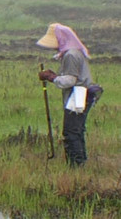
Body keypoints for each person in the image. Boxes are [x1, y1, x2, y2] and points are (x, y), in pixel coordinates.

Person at [37, 23, 96, 167]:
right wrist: (55, 76)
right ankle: (80, 162)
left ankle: (76, 165)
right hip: (82, 93)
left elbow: (70, 80)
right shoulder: (71, 53)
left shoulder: (71, 55)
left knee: (71, 131)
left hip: (79, 94)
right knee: (76, 130)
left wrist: (51, 78)